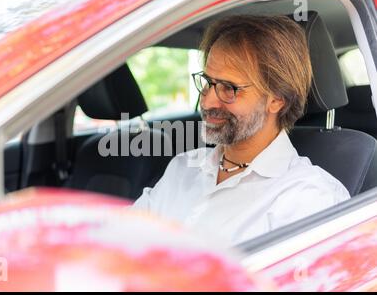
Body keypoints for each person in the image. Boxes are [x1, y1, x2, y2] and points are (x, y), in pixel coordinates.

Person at [131, 15, 350, 245]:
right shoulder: (182, 168)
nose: (207, 102)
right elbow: (118, 241)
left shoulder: (310, 198)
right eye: (208, 82)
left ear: (277, 100)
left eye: (229, 88)